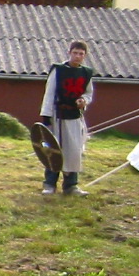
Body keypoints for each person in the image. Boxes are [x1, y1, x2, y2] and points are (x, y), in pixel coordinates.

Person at [39, 40, 94, 196]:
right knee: (55, 150)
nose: (77, 56)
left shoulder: (86, 73)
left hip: (75, 117)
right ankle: (49, 184)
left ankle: (71, 186)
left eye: (81, 54)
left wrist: (83, 100)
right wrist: (46, 117)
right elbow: (49, 93)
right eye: (75, 53)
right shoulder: (59, 70)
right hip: (58, 116)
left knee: (74, 151)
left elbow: (89, 93)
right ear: (69, 52)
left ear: (85, 56)